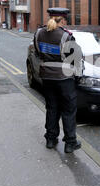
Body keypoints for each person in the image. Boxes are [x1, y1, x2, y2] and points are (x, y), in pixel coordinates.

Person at [34, 10, 83, 153]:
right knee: (68, 111)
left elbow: (38, 54)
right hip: (64, 79)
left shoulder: (39, 33)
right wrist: (78, 77)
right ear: (62, 21)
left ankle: (50, 139)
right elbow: (76, 59)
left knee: (52, 108)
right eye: (65, 21)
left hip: (47, 78)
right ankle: (70, 143)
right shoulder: (66, 37)